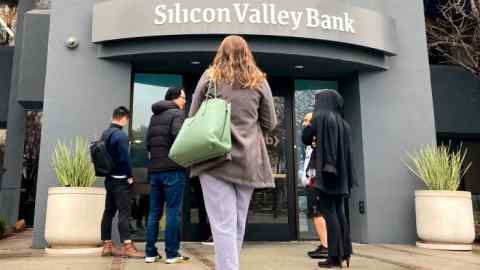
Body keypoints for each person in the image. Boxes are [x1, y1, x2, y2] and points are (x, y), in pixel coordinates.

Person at [188, 35, 277, 270]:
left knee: (223, 224)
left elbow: (193, 115)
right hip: (248, 160)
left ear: (221, 52)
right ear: (247, 53)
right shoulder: (259, 81)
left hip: (214, 160)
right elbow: (270, 122)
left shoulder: (211, 77)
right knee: (237, 223)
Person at [302, 90, 357, 268]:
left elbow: (305, 138)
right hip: (340, 175)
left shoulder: (318, 119)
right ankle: (345, 252)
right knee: (340, 212)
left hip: (325, 173)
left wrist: (309, 124)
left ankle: (333, 257)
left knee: (329, 213)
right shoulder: (343, 123)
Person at [144, 87, 190, 264]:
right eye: (183, 98)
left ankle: (150, 253)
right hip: (173, 170)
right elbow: (178, 136)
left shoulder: (154, 117)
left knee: (154, 213)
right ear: (175, 98)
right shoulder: (177, 114)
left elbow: (148, 143)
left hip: (155, 171)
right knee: (172, 212)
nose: (185, 101)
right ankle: (171, 254)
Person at [100, 106, 144, 258]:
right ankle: (127, 246)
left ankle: (106, 245)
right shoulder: (121, 136)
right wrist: (130, 176)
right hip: (120, 181)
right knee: (124, 213)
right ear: (124, 118)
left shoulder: (105, 134)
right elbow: (126, 159)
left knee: (108, 212)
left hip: (109, 180)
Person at [302, 112, 328, 260]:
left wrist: (311, 178)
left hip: (316, 181)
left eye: (308, 120)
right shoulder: (309, 142)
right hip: (311, 180)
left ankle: (326, 246)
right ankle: (324, 244)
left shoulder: (317, 140)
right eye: (304, 120)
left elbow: (316, 162)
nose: (304, 123)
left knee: (317, 212)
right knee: (316, 213)